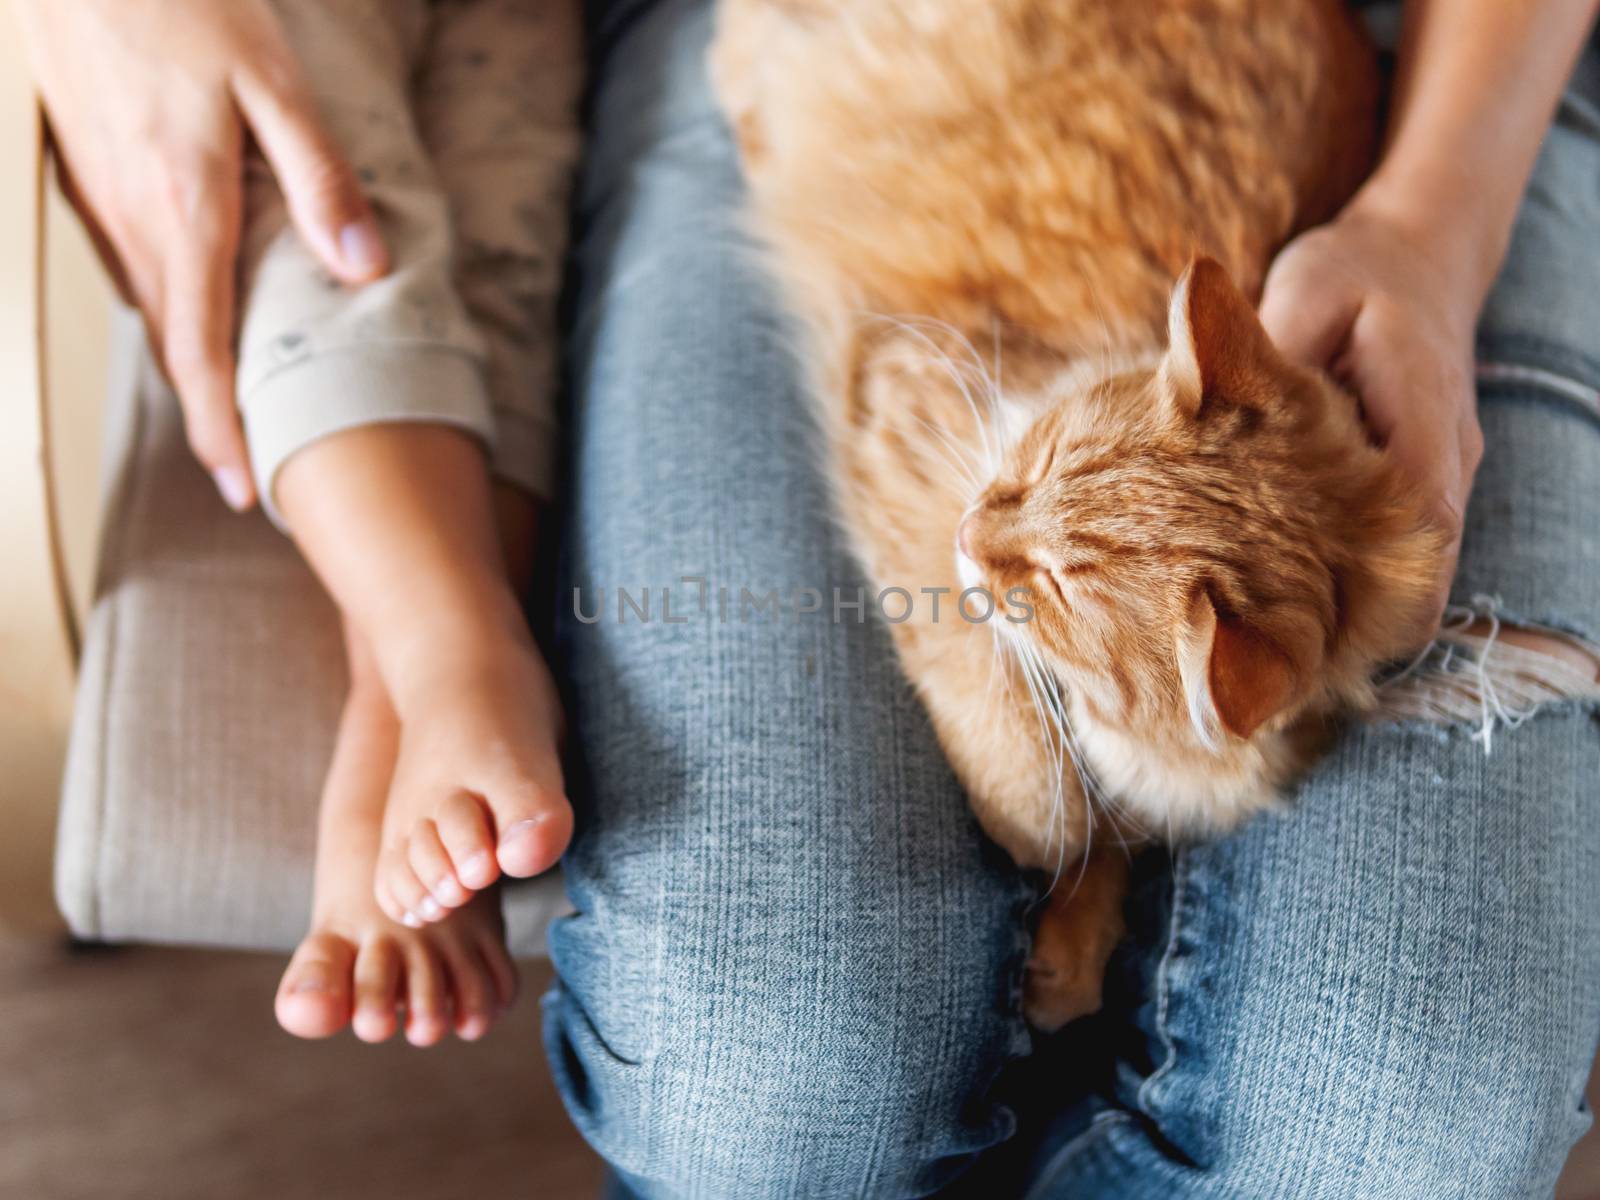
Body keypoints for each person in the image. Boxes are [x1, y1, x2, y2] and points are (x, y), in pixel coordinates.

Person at [19, 0, 1600, 1196]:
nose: (979, 544)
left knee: (1398, 1114)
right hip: (815, 45)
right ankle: (435, 639)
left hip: (1447, 88)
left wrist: (1424, 226)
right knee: (759, 1065)